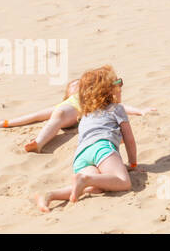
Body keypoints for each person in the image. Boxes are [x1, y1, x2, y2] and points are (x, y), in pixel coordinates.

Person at [33, 67, 139, 212]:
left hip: (81, 155)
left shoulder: (85, 115)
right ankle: (85, 179)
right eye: (118, 83)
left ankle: (51, 195)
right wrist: (132, 164)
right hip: (102, 148)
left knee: (95, 188)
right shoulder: (117, 108)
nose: (121, 87)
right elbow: (129, 139)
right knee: (123, 182)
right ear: (108, 90)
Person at [0, 77, 152, 154]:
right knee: (51, 120)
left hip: (70, 115)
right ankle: (39, 142)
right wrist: (4, 122)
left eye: (80, 83)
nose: (78, 85)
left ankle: (39, 142)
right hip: (66, 112)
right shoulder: (67, 103)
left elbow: (118, 106)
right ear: (68, 93)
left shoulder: (89, 99)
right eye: (74, 85)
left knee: (54, 121)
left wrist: (140, 111)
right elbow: (33, 116)